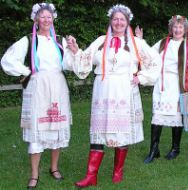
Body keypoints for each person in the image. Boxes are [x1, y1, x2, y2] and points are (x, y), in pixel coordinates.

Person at [65, 4, 161, 187]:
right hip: (102, 92)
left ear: (127, 22)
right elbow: (86, 60)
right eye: (115, 19)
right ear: (111, 21)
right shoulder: (101, 41)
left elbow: (155, 62)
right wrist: (76, 51)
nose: (118, 23)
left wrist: (141, 77)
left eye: (122, 20)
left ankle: (118, 171)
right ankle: (91, 175)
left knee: (120, 132)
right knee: (98, 133)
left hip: (123, 91)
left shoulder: (136, 43)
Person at [1, 2, 73, 189]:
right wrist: (27, 70)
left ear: (53, 19)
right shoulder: (28, 40)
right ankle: (34, 173)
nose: (46, 20)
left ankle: (54, 167)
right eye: (43, 17)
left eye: (49, 17)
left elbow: (68, 64)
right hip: (38, 87)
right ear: (36, 19)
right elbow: (8, 60)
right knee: (37, 126)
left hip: (57, 86)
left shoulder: (59, 40)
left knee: (57, 125)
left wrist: (74, 51)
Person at [142, 15, 188, 164]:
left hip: (178, 84)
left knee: (177, 116)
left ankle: (175, 148)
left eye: (181, 27)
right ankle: (153, 149)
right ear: (171, 28)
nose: (177, 29)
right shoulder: (163, 43)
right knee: (157, 116)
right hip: (161, 83)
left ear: (185, 29)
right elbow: (149, 56)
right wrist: (140, 41)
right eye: (175, 26)